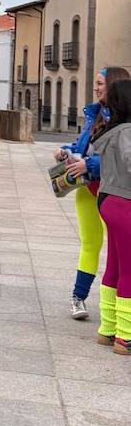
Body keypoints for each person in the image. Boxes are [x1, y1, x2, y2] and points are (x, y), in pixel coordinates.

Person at [55, 67, 131, 319]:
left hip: (113, 191)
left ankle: (115, 314)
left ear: (114, 86)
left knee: (119, 253)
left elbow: (119, 159)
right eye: (96, 83)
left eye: (100, 83)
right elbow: (82, 145)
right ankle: (79, 298)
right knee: (90, 244)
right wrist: (67, 151)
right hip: (88, 189)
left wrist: (89, 164)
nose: (96, 88)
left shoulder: (123, 119)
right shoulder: (94, 113)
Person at [92, 79, 131, 354]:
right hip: (125, 201)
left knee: (115, 266)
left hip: (108, 200)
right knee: (129, 270)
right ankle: (126, 337)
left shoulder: (111, 129)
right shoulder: (128, 131)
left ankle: (107, 330)